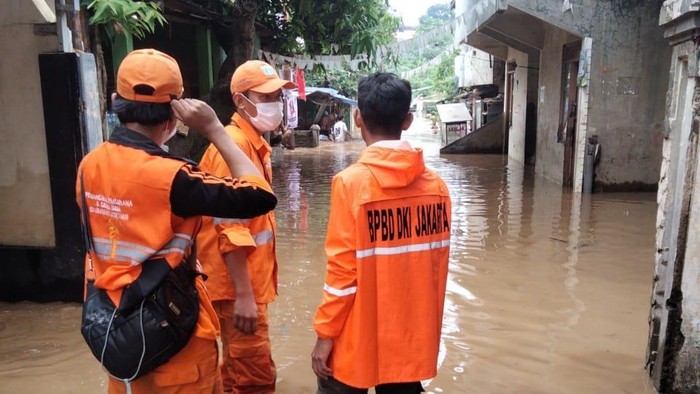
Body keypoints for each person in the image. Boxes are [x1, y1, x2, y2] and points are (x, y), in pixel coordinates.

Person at [77, 48, 278, 393]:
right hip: (172, 331)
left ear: (114, 101)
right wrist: (215, 128)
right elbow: (259, 196)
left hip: (117, 330)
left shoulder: (89, 166)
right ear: (176, 114)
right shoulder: (176, 179)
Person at [311, 73, 452, 393]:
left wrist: (324, 335)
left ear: (358, 117)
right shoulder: (438, 190)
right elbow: (432, 273)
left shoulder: (350, 184)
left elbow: (342, 275)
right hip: (408, 345)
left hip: (356, 340)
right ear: (408, 121)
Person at [197, 60, 294, 393]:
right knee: (255, 378)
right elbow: (231, 228)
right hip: (234, 287)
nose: (275, 105)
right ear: (240, 101)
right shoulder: (234, 146)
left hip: (241, 284)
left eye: (277, 97)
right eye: (265, 97)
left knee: (236, 374)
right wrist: (244, 296)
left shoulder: (252, 144)